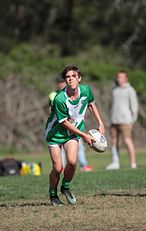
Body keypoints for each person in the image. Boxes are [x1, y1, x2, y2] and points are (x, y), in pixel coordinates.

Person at [44, 65, 105, 206]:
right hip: (55, 134)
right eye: (67, 77)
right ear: (65, 80)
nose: (70, 79)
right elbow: (64, 122)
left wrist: (100, 123)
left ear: (79, 78)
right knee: (58, 168)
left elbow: (91, 104)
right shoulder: (60, 99)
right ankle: (52, 194)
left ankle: (65, 187)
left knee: (72, 162)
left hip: (73, 133)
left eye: (73, 76)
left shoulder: (86, 90)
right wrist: (83, 135)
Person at [48, 76, 93, 172]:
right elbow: (51, 110)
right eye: (59, 82)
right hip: (61, 126)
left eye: (62, 82)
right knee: (62, 150)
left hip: (73, 125)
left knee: (79, 147)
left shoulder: (74, 93)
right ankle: (63, 167)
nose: (61, 84)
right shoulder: (54, 95)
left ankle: (84, 165)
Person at [106, 70, 138, 170]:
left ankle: (133, 163)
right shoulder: (114, 89)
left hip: (126, 120)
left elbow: (134, 106)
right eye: (118, 77)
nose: (120, 79)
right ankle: (115, 163)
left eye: (122, 77)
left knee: (127, 141)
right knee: (114, 142)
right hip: (114, 120)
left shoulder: (130, 90)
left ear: (126, 78)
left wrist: (133, 120)